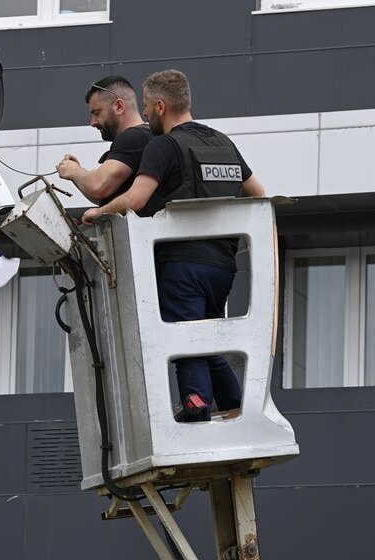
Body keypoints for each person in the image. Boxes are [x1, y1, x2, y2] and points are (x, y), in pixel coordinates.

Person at [82, 69, 267, 422]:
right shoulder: (223, 143)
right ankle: (234, 405)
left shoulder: (164, 146)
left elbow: (135, 199)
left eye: (149, 108)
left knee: (185, 339)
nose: (146, 115)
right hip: (223, 268)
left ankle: (195, 404)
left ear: (162, 106)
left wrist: (98, 212)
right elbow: (259, 196)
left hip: (181, 265)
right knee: (205, 334)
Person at [56, 75, 154, 205]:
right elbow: (103, 198)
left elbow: (98, 187)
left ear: (119, 106)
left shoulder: (134, 137)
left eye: (97, 113)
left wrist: (75, 171)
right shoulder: (145, 136)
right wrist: (77, 174)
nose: (93, 123)